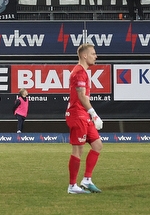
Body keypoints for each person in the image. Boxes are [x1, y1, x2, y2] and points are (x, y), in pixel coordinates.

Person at [66, 44, 103, 194]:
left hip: (83, 114)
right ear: (84, 56)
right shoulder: (79, 73)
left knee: (97, 145)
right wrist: (94, 114)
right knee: (78, 149)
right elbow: (81, 96)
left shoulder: (83, 72)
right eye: (93, 53)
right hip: (77, 114)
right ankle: (72, 186)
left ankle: (86, 180)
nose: (96, 56)